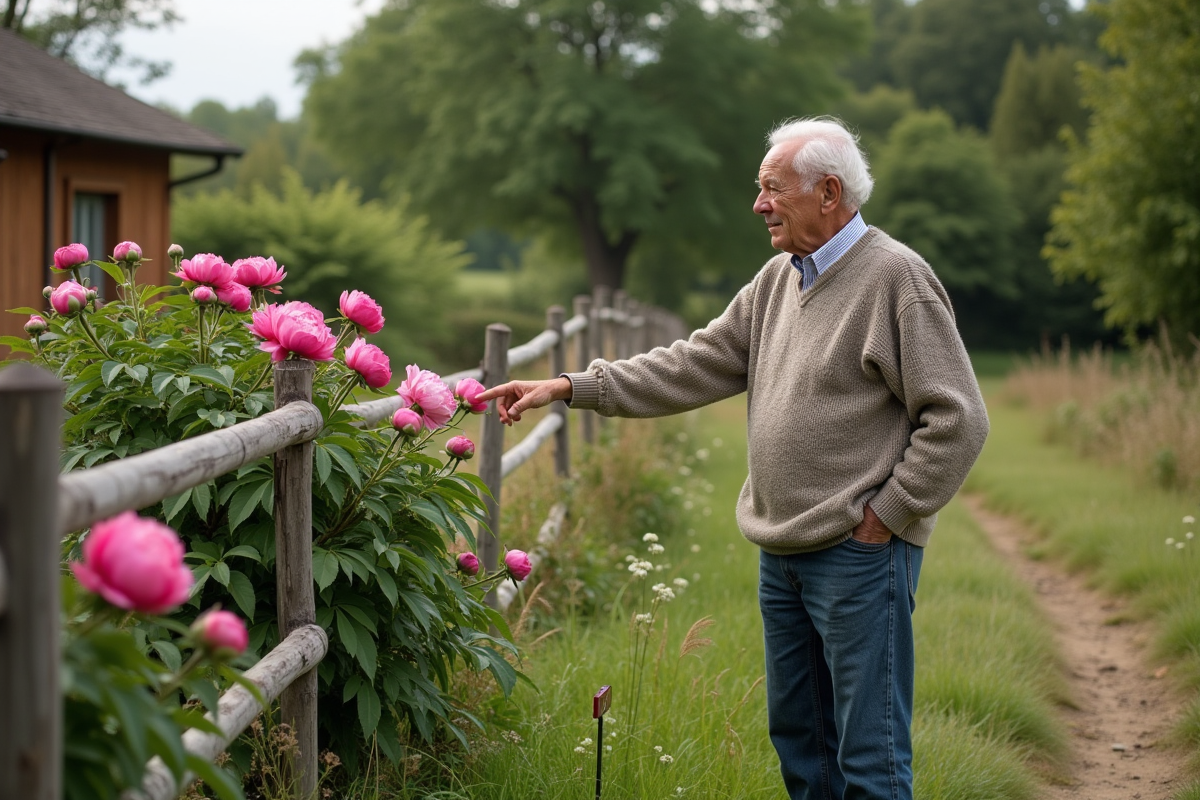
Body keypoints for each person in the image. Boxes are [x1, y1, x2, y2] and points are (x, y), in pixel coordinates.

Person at [477, 116, 989, 800]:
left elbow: (959, 418)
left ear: (829, 193)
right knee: (803, 749)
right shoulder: (778, 279)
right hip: (782, 554)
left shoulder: (897, 279)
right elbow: (694, 362)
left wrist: (886, 517)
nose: (759, 204)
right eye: (761, 188)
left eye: (773, 188)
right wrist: (573, 386)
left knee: (870, 758)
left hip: (860, 555)